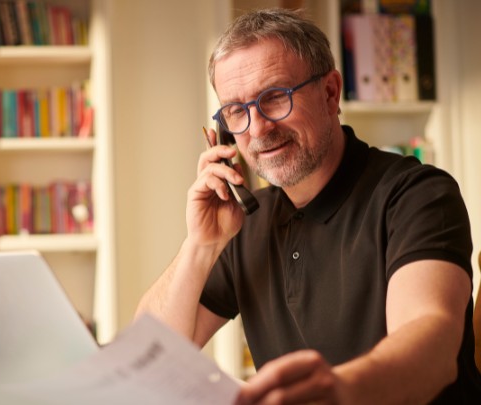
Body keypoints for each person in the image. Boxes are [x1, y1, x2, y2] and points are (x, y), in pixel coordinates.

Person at [135, 8, 481, 404]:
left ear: (330, 93)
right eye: (237, 111)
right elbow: (148, 356)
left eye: (276, 97)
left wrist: (340, 390)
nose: (259, 128)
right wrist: (200, 245)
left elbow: (432, 351)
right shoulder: (244, 222)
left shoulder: (416, 195)